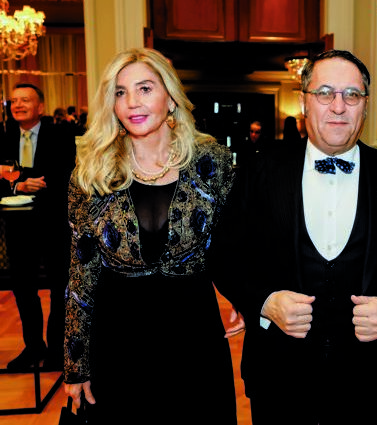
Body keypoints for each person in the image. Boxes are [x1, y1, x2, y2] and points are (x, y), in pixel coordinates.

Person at [212, 49, 377, 425]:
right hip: (276, 376)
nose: (338, 106)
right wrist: (266, 302)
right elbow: (224, 255)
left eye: (352, 94)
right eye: (325, 93)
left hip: (364, 380)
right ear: (304, 102)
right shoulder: (259, 169)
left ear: (365, 105)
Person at [63, 47, 242, 424]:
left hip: (194, 333)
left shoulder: (211, 162)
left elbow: (234, 242)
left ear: (171, 98)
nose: (132, 102)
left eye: (144, 88)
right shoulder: (92, 173)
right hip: (118, 339)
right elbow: (81, 273)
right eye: (120, 92)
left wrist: (245, 296)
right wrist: (75, 365)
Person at [0, 83, 76, 372]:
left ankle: (57, 350)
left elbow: (67, 174)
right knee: (23, 288)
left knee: (59, 287)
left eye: (25, 100)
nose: (18, 105)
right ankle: (33, 347)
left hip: (53, 222)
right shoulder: (3, 136)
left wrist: (38, 183)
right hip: (17, 224)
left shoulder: (60, 134)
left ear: (40, 107)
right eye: (14, 101)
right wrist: (17, 185)